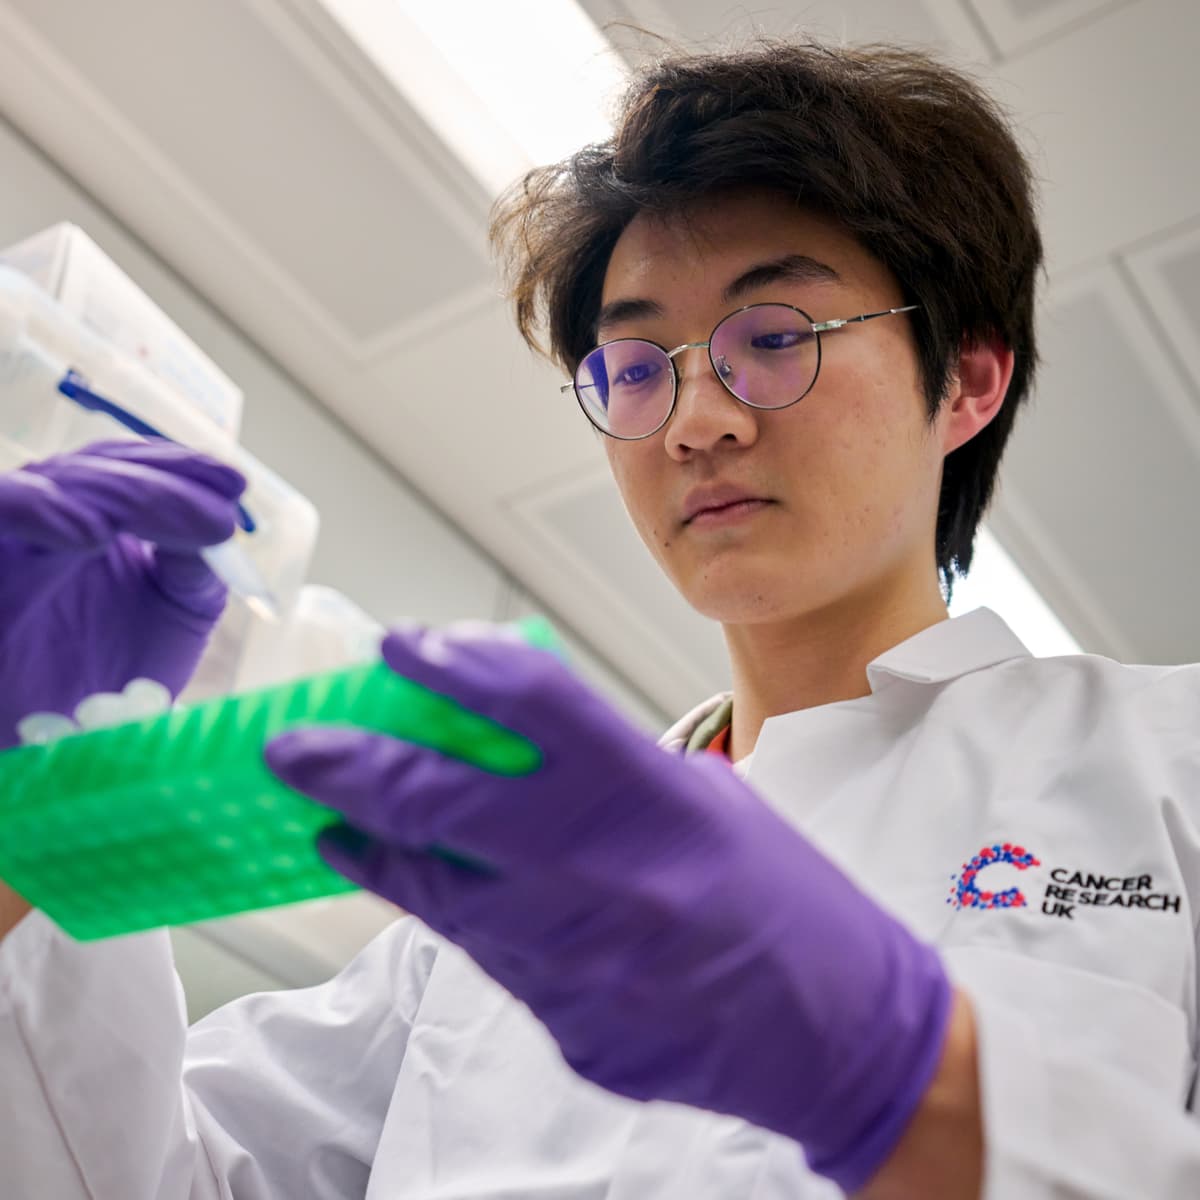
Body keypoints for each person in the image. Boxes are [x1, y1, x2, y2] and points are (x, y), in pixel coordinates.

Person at [1, 38, 1197, 1200]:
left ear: (969, 380)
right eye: (635, 366)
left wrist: (899, 1075)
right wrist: (19, 832)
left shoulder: (1163, 763)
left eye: (773, 339)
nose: (694, 419)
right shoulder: (491, 898)